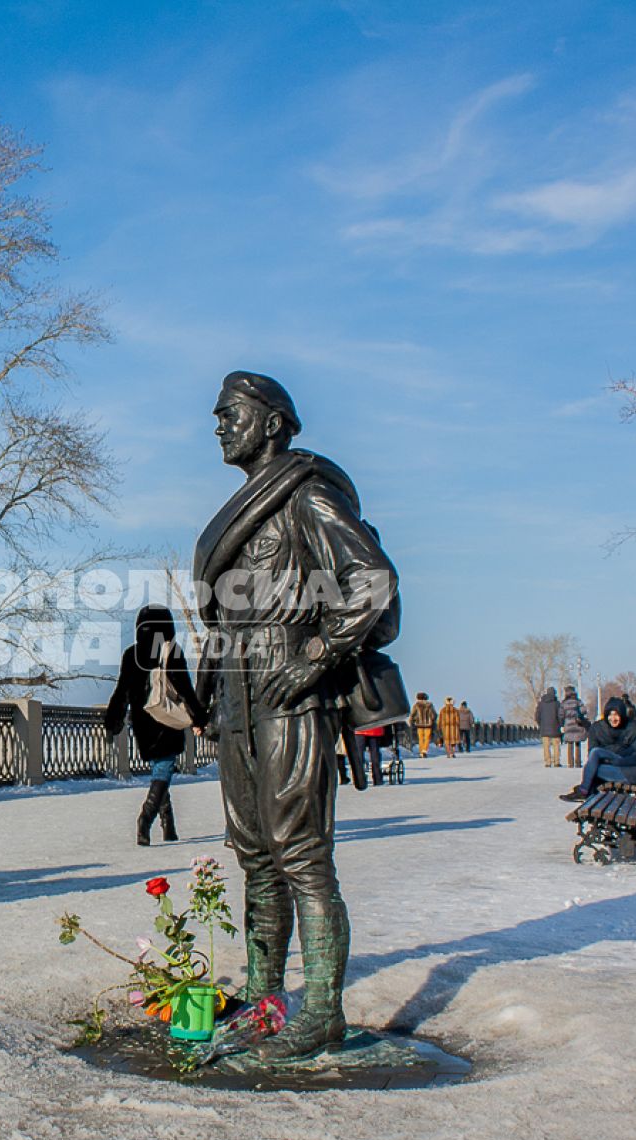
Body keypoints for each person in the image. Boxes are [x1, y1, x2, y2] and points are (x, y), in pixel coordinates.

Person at [192, 370, 399, 1064]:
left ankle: (321, 1014)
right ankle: (265, 997)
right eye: (218, 416)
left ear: (274, 422)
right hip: (236, 698)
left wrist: (316, 656)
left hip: (288, 691)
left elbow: (369, 583)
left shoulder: (306, 493)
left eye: (233, 414)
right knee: (254, 855)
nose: (219, 425)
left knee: (302, 854)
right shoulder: (243, 505)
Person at [104, 604, 209, 846]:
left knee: (159, 771)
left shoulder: (131, 654)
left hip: (143, 723)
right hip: (167, 721)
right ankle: (145, 818)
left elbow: (122, 691)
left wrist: (113, 719)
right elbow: (184, 690)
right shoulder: (170, 651)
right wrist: (199, 718)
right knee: (163, 771)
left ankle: (168, 825)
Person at [562, 699, 636, 801]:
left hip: (634, 775)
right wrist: (613, 757)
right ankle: (585, 788)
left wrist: (614, 762)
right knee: (596, 752)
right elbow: (633, 750)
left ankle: (584, 791)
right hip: (632, 769)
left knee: (594, 768)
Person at [559, 686, 589, 767]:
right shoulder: (578, 701)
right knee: (577, 743)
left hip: (568, 724)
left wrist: (561, 724)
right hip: (577, 724)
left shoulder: (564, 703)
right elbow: (584, 710)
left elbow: (561, 715)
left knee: (570, 743)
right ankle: (578, 762)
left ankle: (570, 763)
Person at [352, 722, 389, 787]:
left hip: (359, 727)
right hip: (375, 727)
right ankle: (377, 778)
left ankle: (360, 778)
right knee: (375, 754)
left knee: (359, 755)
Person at [535, 686, 562, 767]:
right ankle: (556, 762)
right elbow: (560, 716)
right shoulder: (557, 704)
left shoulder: (541, 704)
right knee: (556, 745)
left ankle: (548, 762)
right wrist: (560, 724)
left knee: (546, 746)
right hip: (555, 728)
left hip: (544, 728)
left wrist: (540, 724)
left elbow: (537, 716)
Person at [408, 692, 437, 758]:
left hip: (419, 724)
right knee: (427, 738)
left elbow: (412, 714)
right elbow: (434, 714)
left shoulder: (416, 705)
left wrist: (411, 721)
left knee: (421, 738)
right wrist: (432, 720)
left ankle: (421, 752)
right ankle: (424, 751)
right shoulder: (430, 705)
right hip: (428, 724)